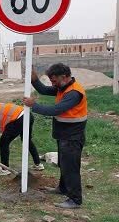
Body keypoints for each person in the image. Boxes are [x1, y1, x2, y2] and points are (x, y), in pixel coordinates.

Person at [22, 63, 87, 209]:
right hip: (64, 134)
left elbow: (56, 110)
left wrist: (34, 105)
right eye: (52, 81)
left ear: (64, 77)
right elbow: (44, 90)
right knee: (64, 164)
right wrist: (34, 80)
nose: (53, 84)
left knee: (71, 168)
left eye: (54, 81)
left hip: (73, 136)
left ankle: (75, 199)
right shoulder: (63, 87)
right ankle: (63, 189)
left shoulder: (73, 93)